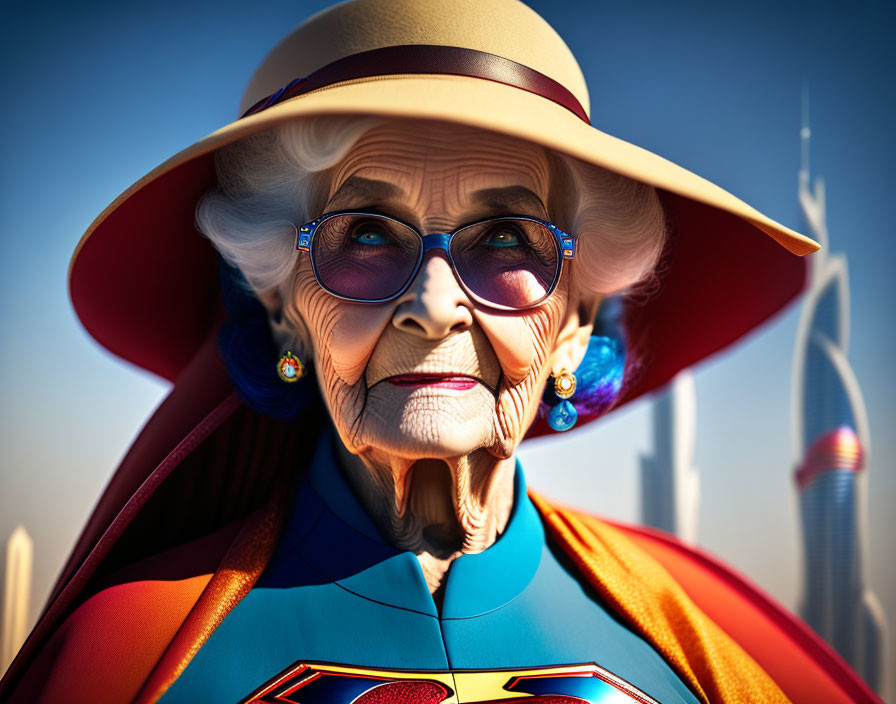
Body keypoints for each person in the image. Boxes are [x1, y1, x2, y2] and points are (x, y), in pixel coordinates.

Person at [0, 1, 880, 703]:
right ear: (280, 315)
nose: (432, 305)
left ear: (579, 319)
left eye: (505, 239)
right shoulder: (119, 664)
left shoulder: (715, 654)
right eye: (366, 233)